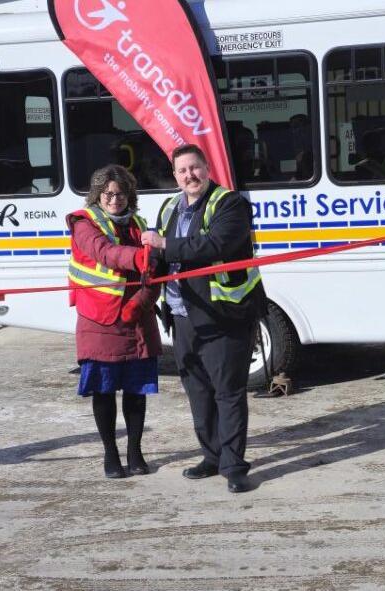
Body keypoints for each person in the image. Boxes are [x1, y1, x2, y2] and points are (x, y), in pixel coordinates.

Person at [140, 145, 266, 494]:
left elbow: (215, 246)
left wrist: (164, 243)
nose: (189, 176)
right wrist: (145, 268)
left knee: (228, 393)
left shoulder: (230, 204)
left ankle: (234, 467)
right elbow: (160, 259)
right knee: (198, 393)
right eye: (182, 171)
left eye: (194, 168)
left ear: (207, 168)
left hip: (224, 316)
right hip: (182, 316)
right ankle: (211, 457)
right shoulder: (169, 207)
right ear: (175, 175)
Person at [66, 165, 161, 479]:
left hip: (137, 318)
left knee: (136, 392)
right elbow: (103, 253)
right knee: (104, 392)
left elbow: (155, 272)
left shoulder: (139, 223)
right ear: (97, 195)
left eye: (120, 193)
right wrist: (138, 258)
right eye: (108, 193)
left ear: (129, 194)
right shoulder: (84, 223)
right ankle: (111, 455)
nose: (114, 199)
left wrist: (142, 302)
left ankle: (135, 453)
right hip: (100, 320)